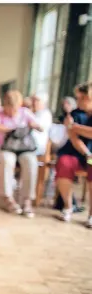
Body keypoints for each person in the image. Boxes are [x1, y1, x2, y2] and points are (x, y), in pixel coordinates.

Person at [0, 90, 43, 218]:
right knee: (8, 161)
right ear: (5, 105)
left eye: (15, 108)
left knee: (31, 161)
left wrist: (34, 125)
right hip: (4, 147)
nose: (12, 112)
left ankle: (27, 200)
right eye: (10, 108)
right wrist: (12, 129)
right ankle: (8, 198)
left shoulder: (25, 112)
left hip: (23, 148)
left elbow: (40, 127)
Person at [56, 81, 92, 228]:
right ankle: (68, 207)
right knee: (64, 163)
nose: (77, 102)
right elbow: (73, 137)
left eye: (80, 98)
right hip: (78, 153)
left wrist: (76, 127)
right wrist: (87, 153)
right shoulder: (75, 114)